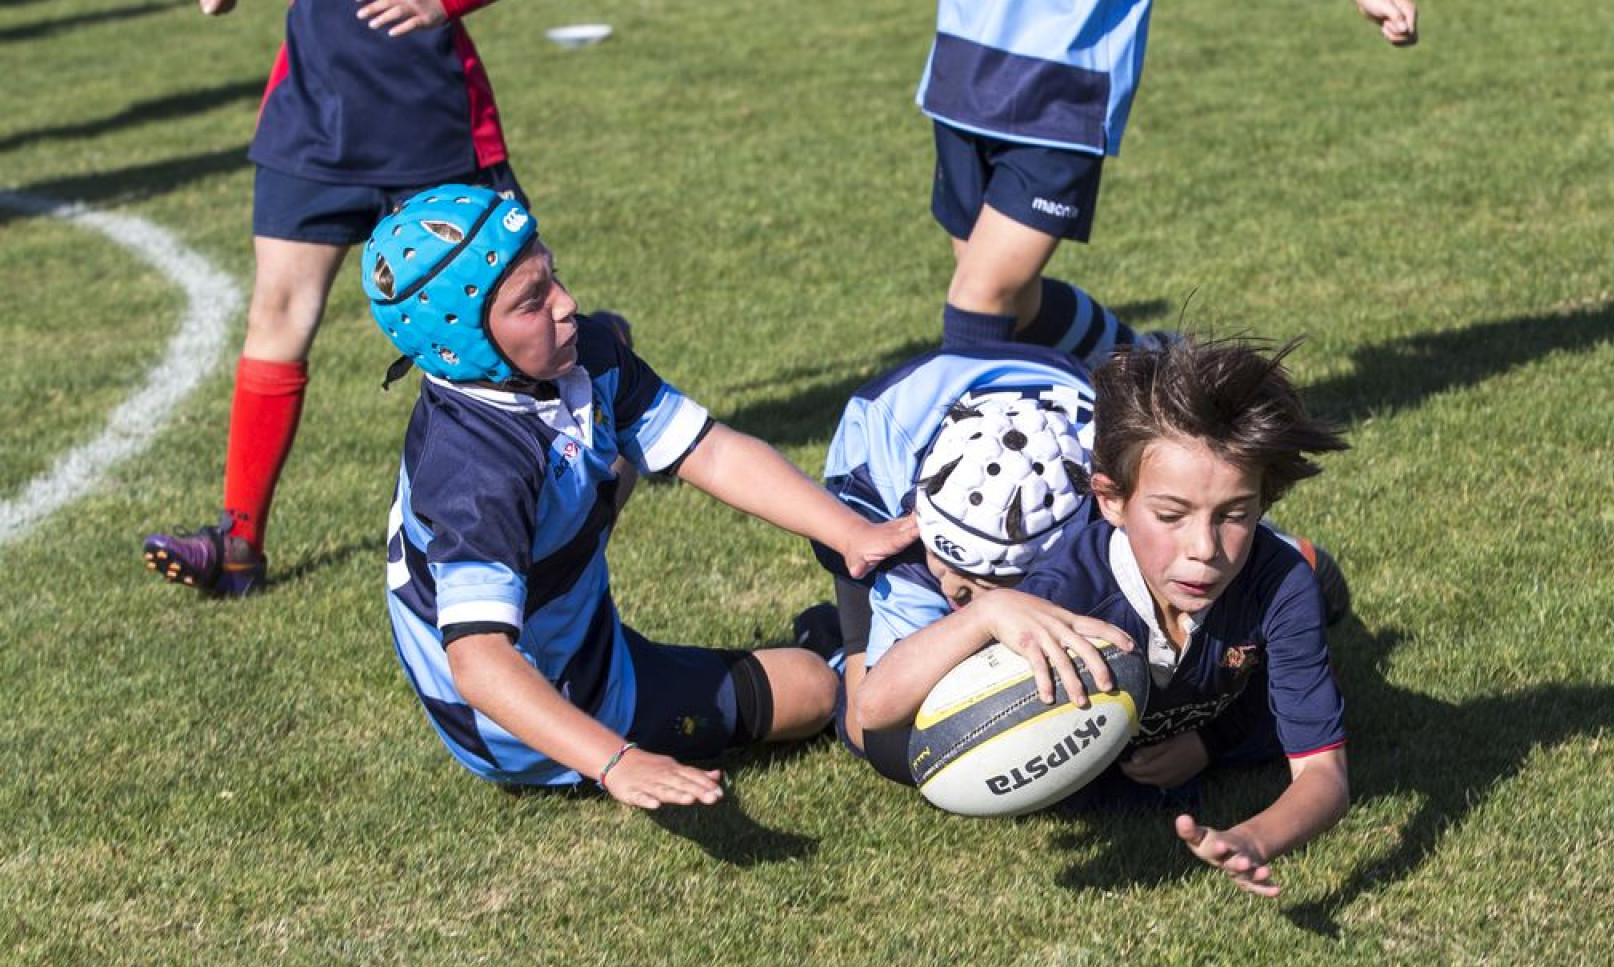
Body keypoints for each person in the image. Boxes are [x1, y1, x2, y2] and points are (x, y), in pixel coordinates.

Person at [364, 186, 916, 807]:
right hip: (542, 709)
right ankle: (844, 651)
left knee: (615, 391)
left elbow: (711, 451)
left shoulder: (576, 354)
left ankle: (819, 635)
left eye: (554, 277)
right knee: (812, 689)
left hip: (565, 612)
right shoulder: (473, 469)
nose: (567, 304)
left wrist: (850, 534)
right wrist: (614, 759)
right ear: (461, 343)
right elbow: (481, 665)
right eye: (532, 302)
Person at [855, 336, 1352, 896]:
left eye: (1234, 515)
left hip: (1216, 730)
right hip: (1097, 779)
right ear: (1111, 499)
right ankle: (833, 636)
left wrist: (1253, 832)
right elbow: (875, 708)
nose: (1203, 548)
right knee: (877, 742)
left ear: (1265, 501)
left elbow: (1323, 774)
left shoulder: (1279, 582)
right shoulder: (1066, 593)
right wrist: (988, 612)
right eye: (1171, 514)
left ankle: (1319, 579)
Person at [143, 0, 524, 596]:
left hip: (431, 120)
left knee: (504, 324)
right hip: (312, 124)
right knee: (277, 314)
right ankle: (238, 544)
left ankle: (607, 394)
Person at [917, 0, 1417, 358]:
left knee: (980, 296)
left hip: (1062, 84)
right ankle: (1141, 365)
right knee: (1013, 301)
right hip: (962, 70)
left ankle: (943, 477)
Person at [815, 340, 1100, 765]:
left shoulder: (1108, 507)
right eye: (947, 568)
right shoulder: (905, 507)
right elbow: (875, 719)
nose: (953, 588)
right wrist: (984, 615)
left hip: (1052, 380)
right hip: (874, 467)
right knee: (874, 740)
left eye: (986, 585)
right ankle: (843, 648)